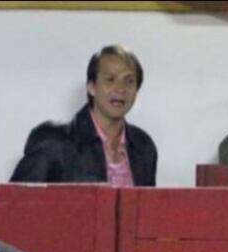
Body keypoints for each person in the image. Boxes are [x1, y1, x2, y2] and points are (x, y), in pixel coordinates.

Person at [10, 45, 157, 186]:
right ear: (91, 87)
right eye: (110, 79)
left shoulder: (143, 146)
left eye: (129, 81)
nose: (121, 89)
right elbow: (15, 199)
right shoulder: (52, 141)